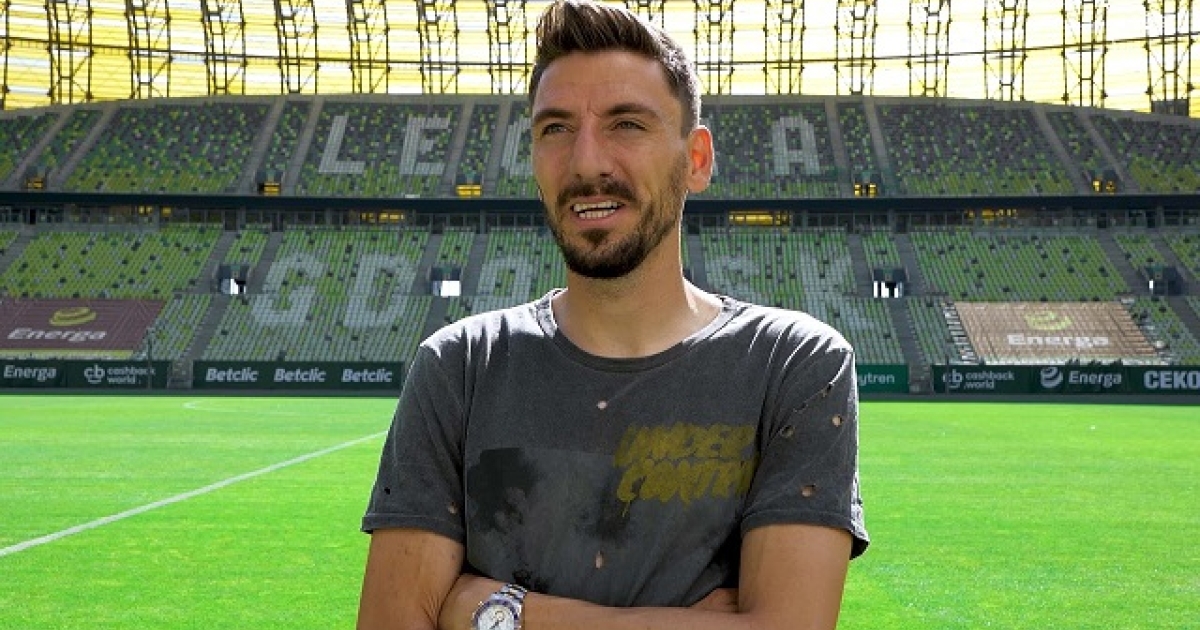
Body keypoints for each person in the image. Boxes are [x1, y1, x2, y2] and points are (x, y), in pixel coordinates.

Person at [357, 1, 868, 628]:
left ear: (696, 159)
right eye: (556, 128)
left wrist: (500, 612)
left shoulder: (794, 363)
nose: (586, 163)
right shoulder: (459, 366)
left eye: (627, 124)